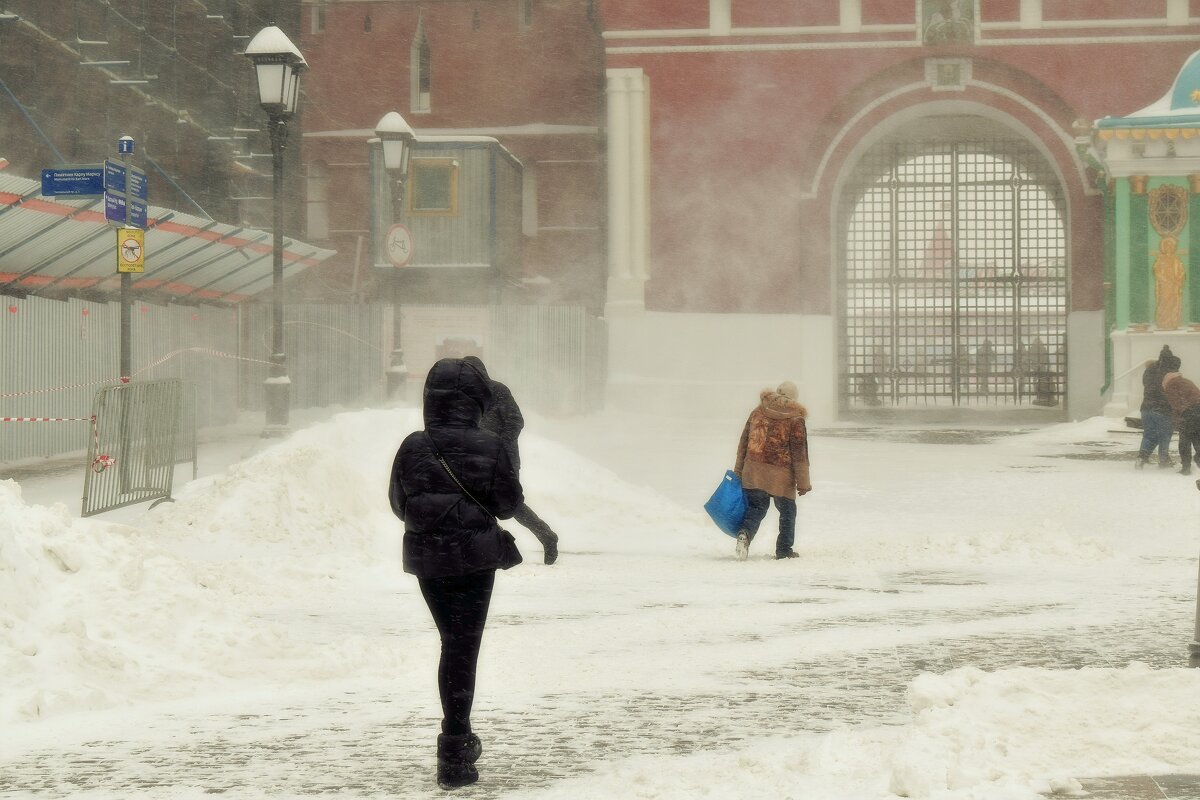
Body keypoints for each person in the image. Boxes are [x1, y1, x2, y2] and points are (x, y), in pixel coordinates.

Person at [389, 358, 523, 789]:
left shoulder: (412, 445)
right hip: (474, 559)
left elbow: (398, 504)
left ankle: (457, 743)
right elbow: (506, 504)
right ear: (474, 400)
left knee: (452, 642)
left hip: (429, 560)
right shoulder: (489, 445)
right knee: (464, 646)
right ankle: (455, 749)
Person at [462, 356, 560, 565]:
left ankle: (546, 535)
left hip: (503, 459)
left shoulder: (498, 391)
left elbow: (515, 421)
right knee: (477, 503)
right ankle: (483, 550)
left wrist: (497, 447)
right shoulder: (466, 395)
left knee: (510, 503)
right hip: (476, 459)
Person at [732, 380, 812, 561]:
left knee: (756, 509)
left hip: (754, 470)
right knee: (787, 512)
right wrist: (804, 483)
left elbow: (743, 442)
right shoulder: (795, 418)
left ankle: (745, 534)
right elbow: (799, 453)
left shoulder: (758, 412)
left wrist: (739, 470)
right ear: (793, 398)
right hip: (781, 476)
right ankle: (784, 550)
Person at [1137, 345, 1178, 469]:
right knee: (1165, 435)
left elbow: (1146, 384)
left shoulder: (1149, 370)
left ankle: (1141, 458)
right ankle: (1164, 460)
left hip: (1146, 408)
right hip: (1162, 409)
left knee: (1149, 434)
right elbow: (1171, 392)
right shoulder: (1169, 373)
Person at [1162, 365, 1200, 476]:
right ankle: (1198, 458)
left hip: (1188, 413)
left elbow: (1176, 405)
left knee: (1184, 441)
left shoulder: (1171, 385)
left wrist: (1176, 421)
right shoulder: (1187, 381)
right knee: (1197, 437)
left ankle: (1186, 467)